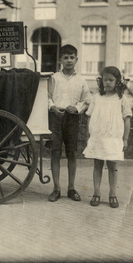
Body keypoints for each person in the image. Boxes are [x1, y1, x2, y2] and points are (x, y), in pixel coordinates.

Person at [47, 44, 91, 202]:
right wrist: (52, 107)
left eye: (72, 57)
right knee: (55, 152)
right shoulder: (54, 78)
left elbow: (87, 100)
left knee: (72, 152)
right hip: (56, 117)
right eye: (65, 57)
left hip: (72, 118)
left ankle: (71, 188)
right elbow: (47, 96)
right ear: (60, 60)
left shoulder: (81, 80)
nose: (69, 60)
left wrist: (78, 108)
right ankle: (56, 188)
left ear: (76, 59)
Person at [83, 66, 132, 208]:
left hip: (113, 138)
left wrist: (125, 139)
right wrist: (88, 136)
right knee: (97, 165)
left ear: (118, 82)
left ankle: (112, 195)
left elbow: (127, 120)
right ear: (101, 81)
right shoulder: (97, 98)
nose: (108, 83)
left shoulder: (122, 99)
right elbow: (89, 117)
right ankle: (96, 193)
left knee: (112, 166)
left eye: (111, 80)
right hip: (98, 137)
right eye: (105, 80)